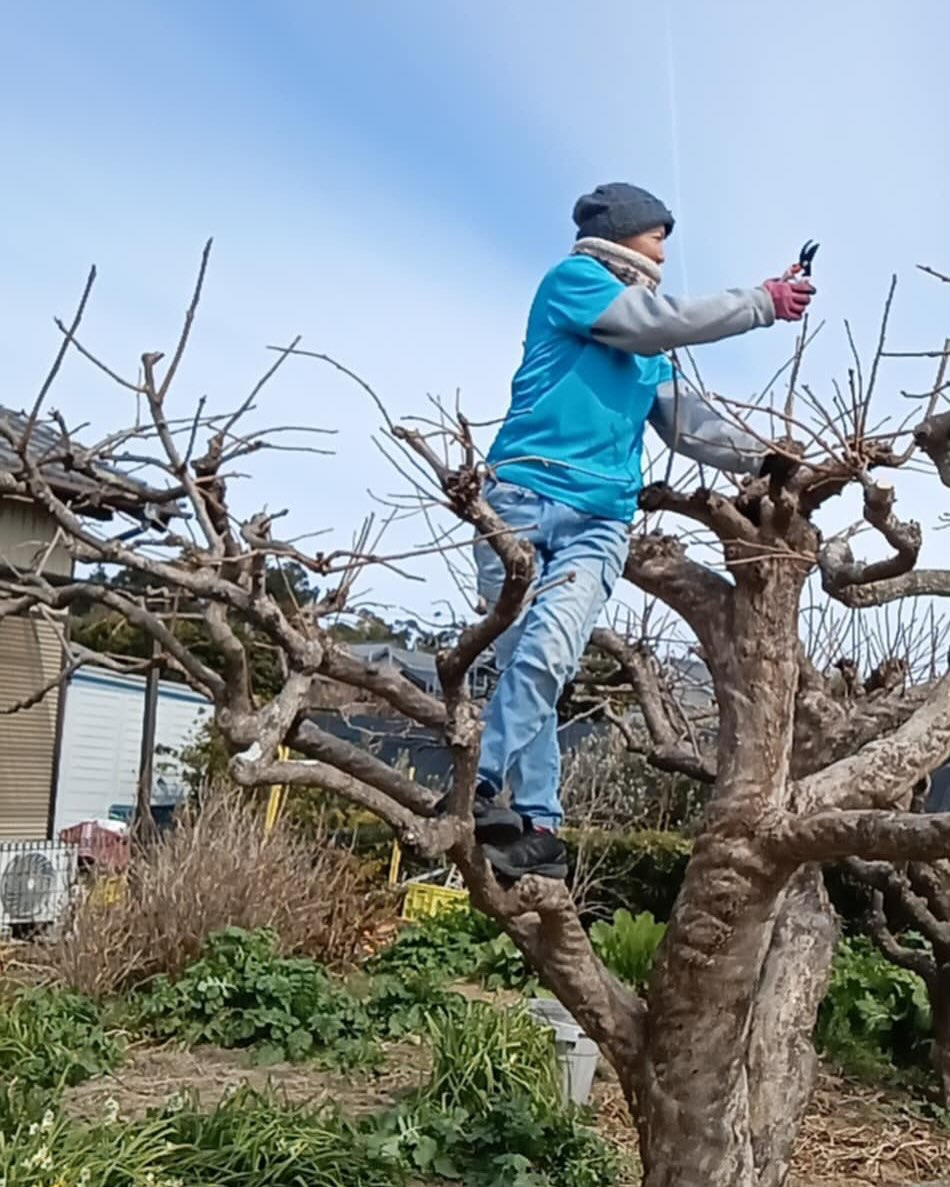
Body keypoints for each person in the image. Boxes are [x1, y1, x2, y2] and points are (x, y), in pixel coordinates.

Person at [453, 181, 814, 880]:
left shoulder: (650, 346)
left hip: (599, 520)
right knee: (529, 656)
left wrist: (767, 456)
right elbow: (650, 321)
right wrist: (762, 303)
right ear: (621, 231)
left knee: (548, 652)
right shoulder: (576, 282)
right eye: (656, 235)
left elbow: (688, 426)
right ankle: (532, 825)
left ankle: (487, 788)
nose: (664, 249)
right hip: (520, 498)